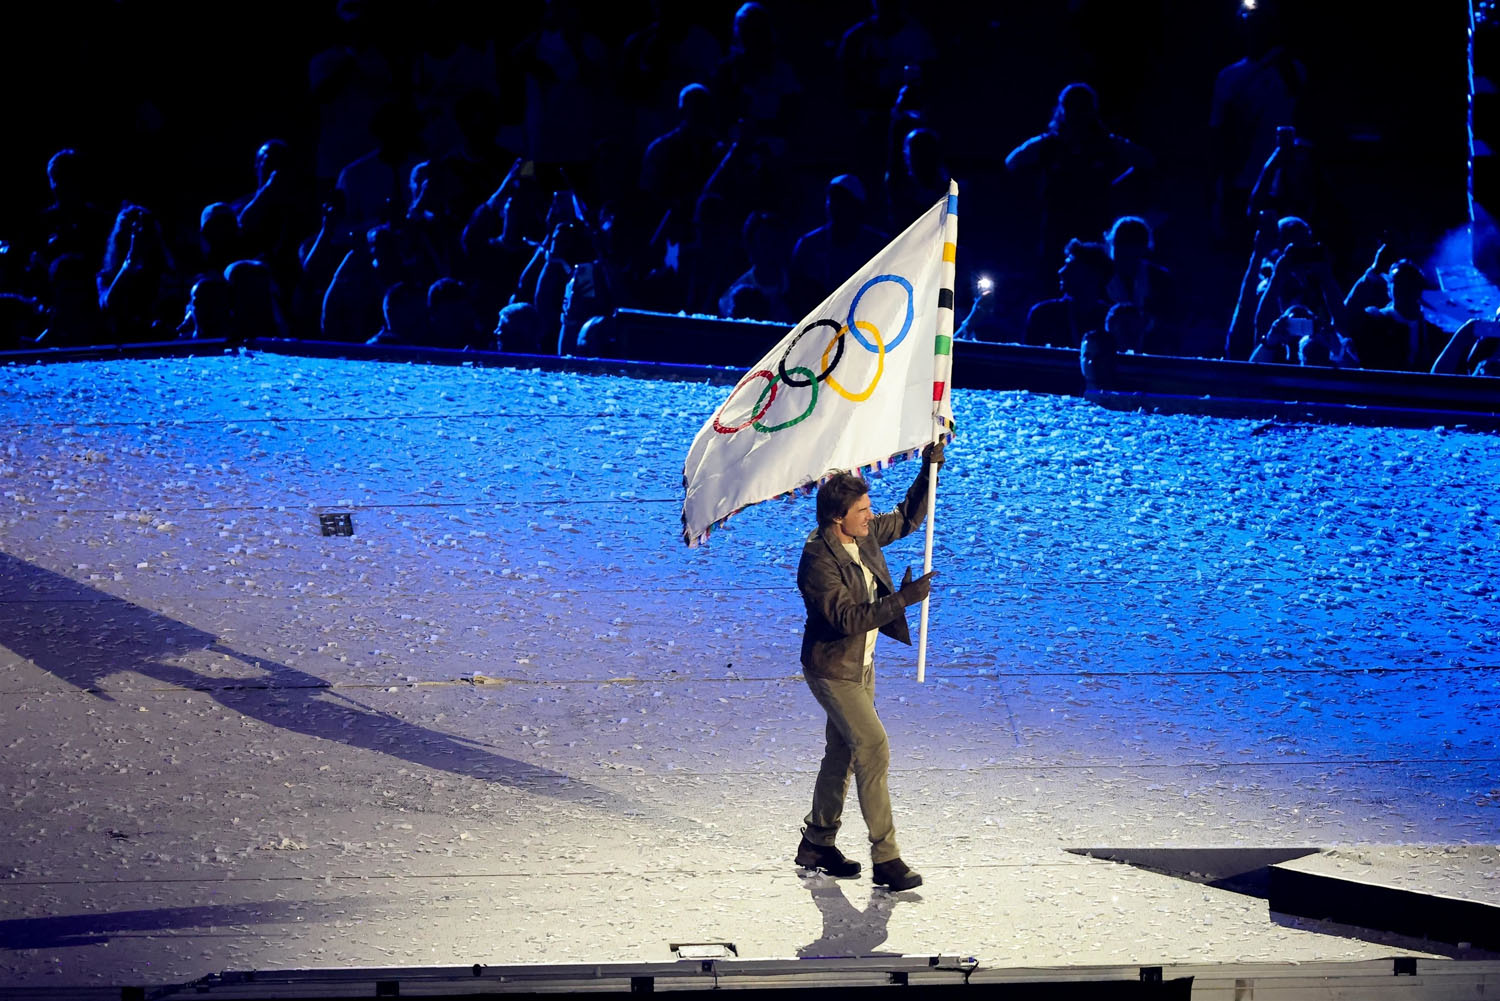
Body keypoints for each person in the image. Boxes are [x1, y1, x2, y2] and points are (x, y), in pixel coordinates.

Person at [794, 443, 942, 892]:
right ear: (837, 517)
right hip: (834, 671)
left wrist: (928, 471)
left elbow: (907, 519)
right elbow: (847, 619)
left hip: (861, 664)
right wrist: (904, 600)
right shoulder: (818, 560)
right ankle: (886, 858)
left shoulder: (862, 534)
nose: (870, 515)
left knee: (842, 753)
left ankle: (817, 843)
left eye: (869, 507)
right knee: (873, 748)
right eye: (862, 510)